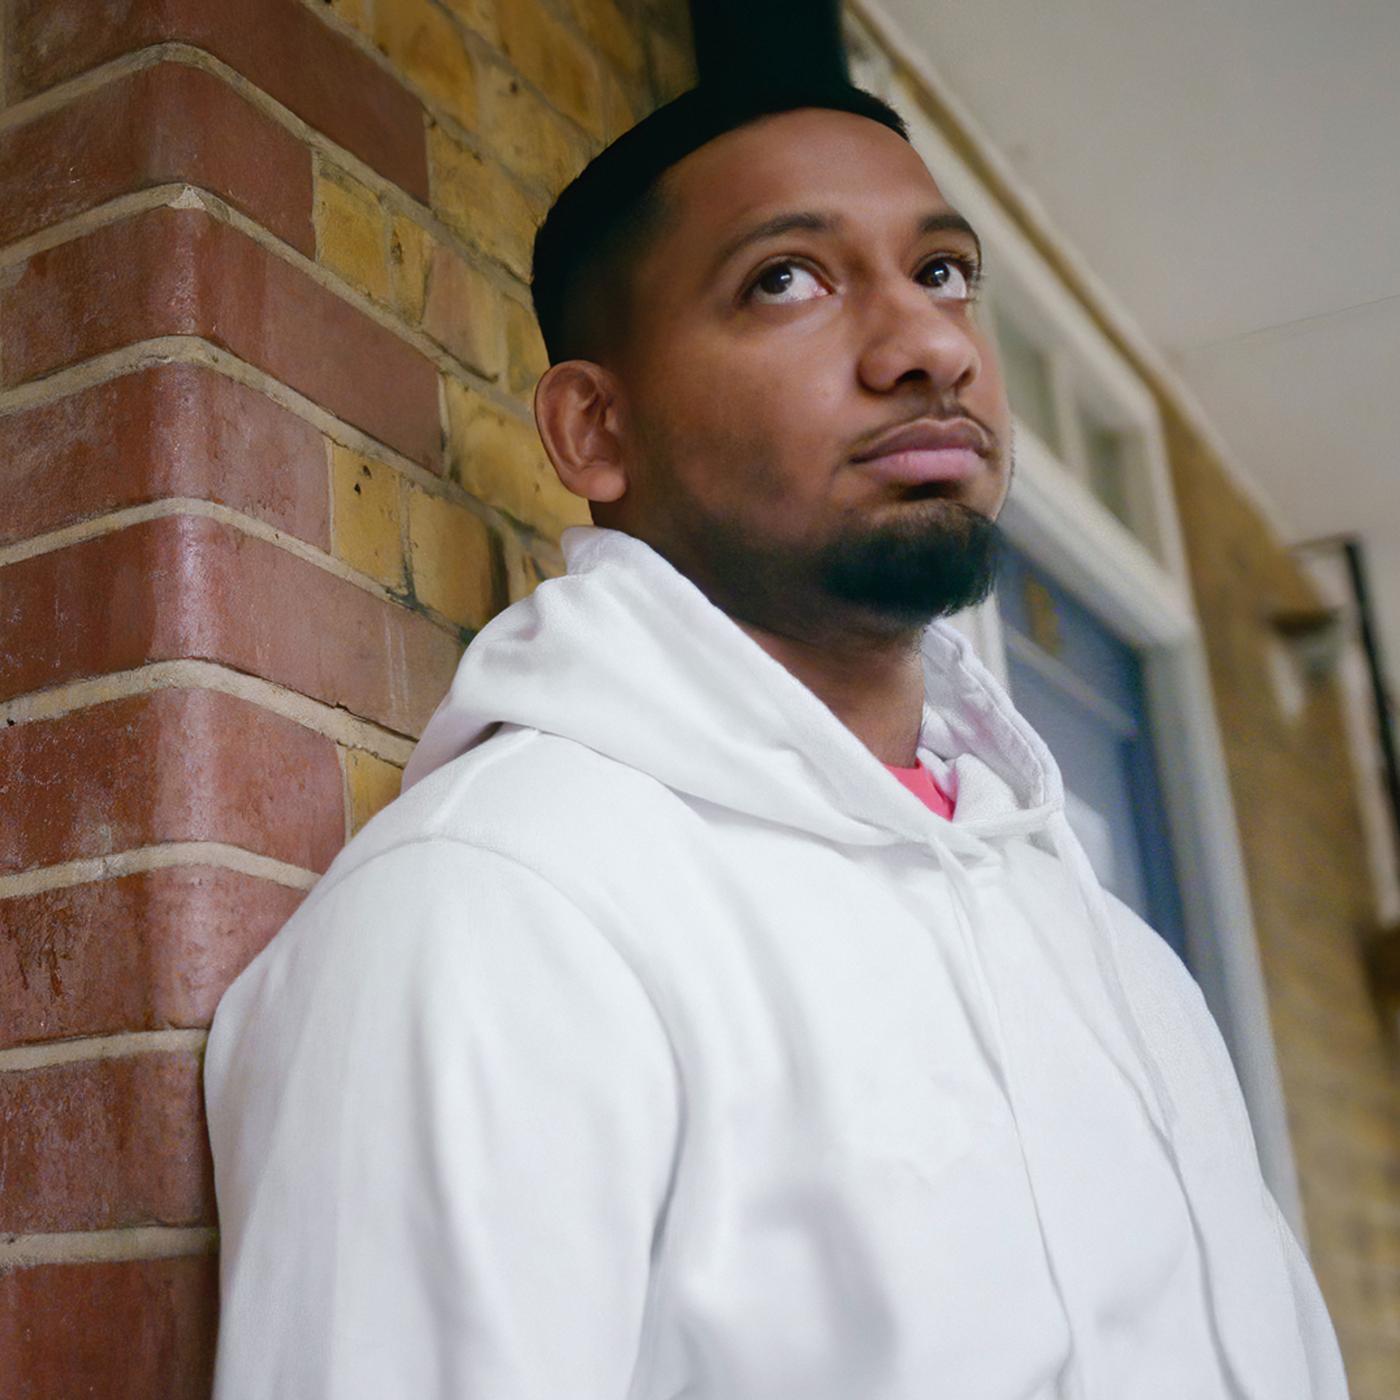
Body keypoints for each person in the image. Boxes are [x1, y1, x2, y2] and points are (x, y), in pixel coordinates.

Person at [204, 81, 1348, 1399]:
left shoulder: (1117, 956)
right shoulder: (492, 912)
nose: (929, 346)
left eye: (943, 272)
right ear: (596, 430)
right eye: (787, 279)